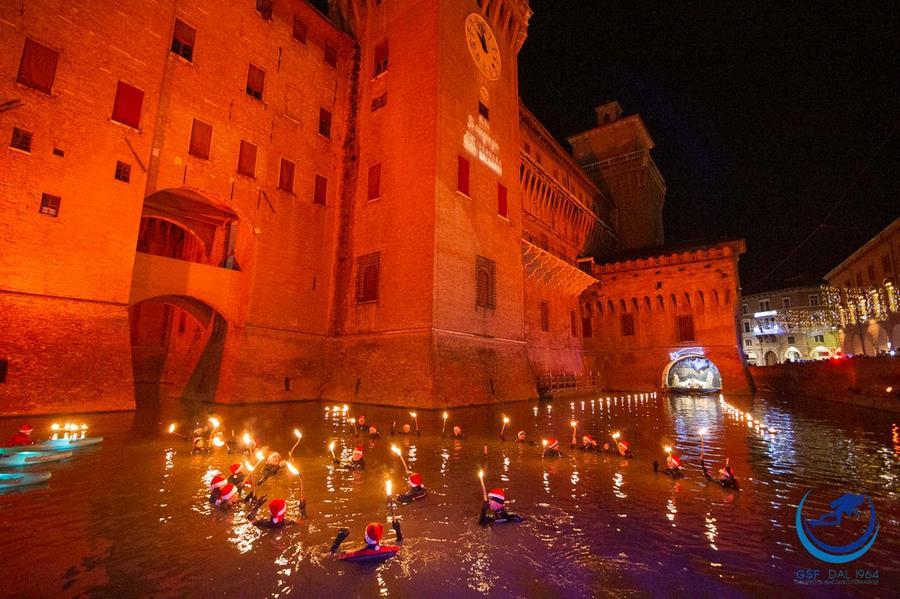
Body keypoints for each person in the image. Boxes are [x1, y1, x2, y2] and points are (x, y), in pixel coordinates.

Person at [332, 521, 403, 561]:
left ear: (366, 537)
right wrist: (398, 530)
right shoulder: (393, 550)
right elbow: (400, 544)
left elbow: (334, 557)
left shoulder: (352, 555)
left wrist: (339, 539)